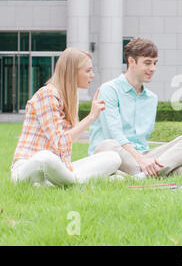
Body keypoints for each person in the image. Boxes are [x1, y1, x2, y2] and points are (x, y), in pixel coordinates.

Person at [88, 37, 182, 178]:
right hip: (114, 154)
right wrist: (140, 159)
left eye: (155, 63)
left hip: (143, 155)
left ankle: (139, 175)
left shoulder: (151, 98)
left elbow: (142, 142)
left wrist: (145, 159)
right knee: (107, 145)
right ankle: (153, 172)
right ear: (131, 62)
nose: (153, 68)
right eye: (147, 63)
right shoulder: (109, 90)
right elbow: (114, 134)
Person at [11, 48, 122, 187]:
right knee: (46, 157)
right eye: (88, 71)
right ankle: (80, 183)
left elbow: (70, 140)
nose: (92, 75)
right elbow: (59, 143)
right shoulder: (47, 94)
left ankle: (63, 184)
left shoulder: (71, 99)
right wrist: (91, 117)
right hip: (30, 168)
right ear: (72, 72)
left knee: (113, 157)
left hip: (60, 170)